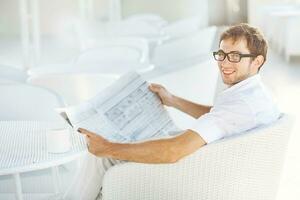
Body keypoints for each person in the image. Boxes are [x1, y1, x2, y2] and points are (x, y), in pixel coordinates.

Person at [63, 23, 280, 200]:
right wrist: (173, 100)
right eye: (221, 54)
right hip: (220, 162)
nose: (224, 63)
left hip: (195, 172)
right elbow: (218, 116)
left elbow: (173, 151)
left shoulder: (239, 106)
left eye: (234, 56)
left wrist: (108, 147)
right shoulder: (254, 94)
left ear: (257, 61)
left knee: (101, 157)